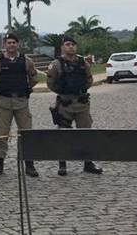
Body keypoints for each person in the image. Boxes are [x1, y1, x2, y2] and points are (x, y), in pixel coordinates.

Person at [46, 35, 102, 176]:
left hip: (81, 103)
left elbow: (89, 80)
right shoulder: (57, 64)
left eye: (72, 44)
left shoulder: (83, 63)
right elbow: (51, 83)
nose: (70, 46)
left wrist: (80, 91)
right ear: (62, 47)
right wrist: (64, 92)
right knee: (63, 134)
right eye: (67, 44)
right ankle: (62, 164)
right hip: (65, 104)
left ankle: (88, 163)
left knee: (86, 134)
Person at [0, 32, 39, 177]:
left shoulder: (26, 60)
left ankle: (29, 164)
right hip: (4, 102)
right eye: (9, 42)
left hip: (21, 102)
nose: (11, 45)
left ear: (18, 44)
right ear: (4, 44)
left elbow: (34, 77)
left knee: (26, 134)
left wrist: (27, 88)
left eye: (14, 42)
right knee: (2, 134)